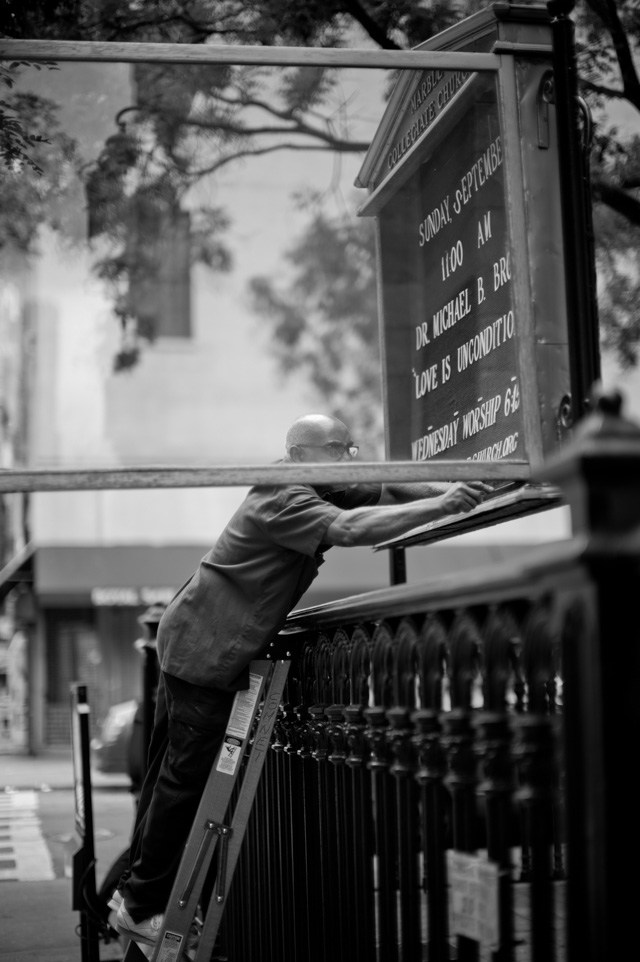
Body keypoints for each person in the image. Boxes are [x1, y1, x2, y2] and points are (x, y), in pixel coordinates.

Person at [114, 413, 490, 947]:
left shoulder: (322, 479)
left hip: (191, 634)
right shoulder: (285, 496)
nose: (354, 458)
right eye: (344, 449)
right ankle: (142, 904)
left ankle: (135, 890)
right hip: (204, 647)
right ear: (304, 453)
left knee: (165, 775)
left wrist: (458, 489)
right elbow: (350, 530)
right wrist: (445, 505)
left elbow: (383, 483)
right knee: (183, 781)